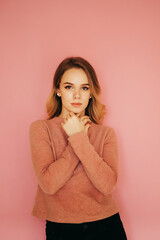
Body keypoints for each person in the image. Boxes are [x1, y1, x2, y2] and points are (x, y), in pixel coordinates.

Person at [29, 57, 127, 240]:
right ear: (58, 90)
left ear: (91, 93)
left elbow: (107, 185)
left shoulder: (105, 133)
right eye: (68, 87)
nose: (77, 95)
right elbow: (49, 184)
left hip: (107, 224)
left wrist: (78, 137)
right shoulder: (40, 129)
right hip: (61, 228)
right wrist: (77, 138)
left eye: (84, 87)